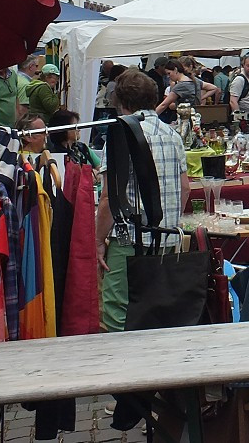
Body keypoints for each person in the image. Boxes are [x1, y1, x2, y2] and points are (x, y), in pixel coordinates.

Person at [96, 69, 189, 333]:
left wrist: (97, 240)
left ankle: (124, 368)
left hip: (130, 238)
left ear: (121, 102)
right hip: (166, 237)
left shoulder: (120, 134)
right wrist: (170, 220)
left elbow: (109, 198)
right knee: (155, 310)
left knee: (117, 313)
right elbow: (185, 188)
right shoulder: (172, 135)